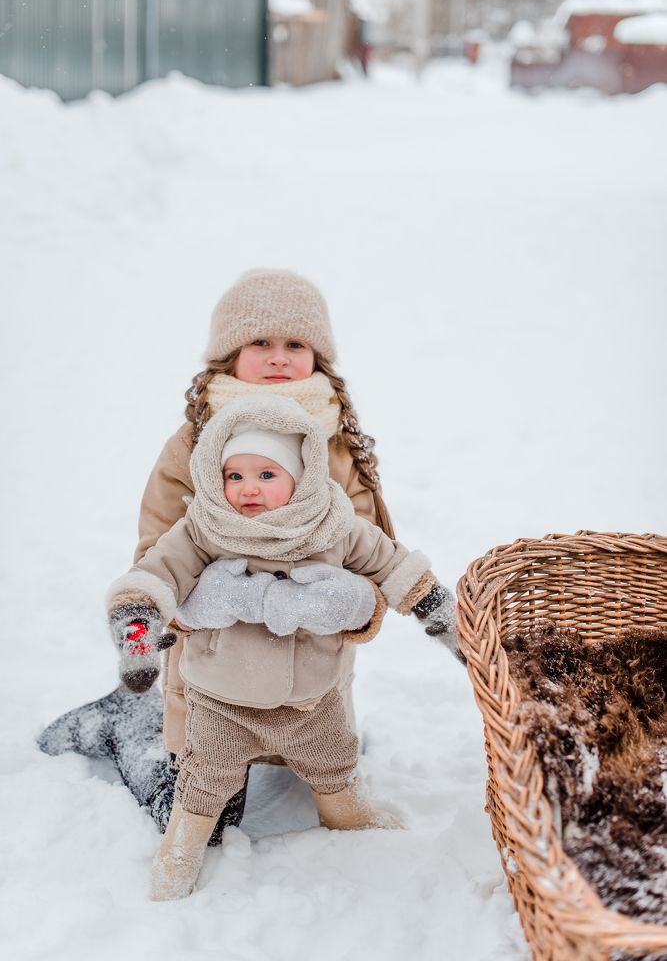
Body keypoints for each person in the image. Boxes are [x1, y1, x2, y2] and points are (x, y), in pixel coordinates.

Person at [38, 268, 458, 842]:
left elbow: (371, 550)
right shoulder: (194, 442)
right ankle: (127, 723)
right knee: (209, 817)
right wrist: (193, 604)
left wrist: (351, 604)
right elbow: (159, 547)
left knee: (325, 767)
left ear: (318, 357)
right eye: (260, 341)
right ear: (229, 355)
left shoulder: (337, 444)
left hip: (309, 675)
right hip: (213, 673)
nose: (279, 356)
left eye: (296, 344)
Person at [106, 394, 457, 899]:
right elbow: (157, 571)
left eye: (266, 474)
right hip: (221, 701)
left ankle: (347, 816)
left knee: (333, 765)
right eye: (234, 475)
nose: (247, 488)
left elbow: (393, 565)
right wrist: (138, 622)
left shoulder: (335, 525)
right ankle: (178, 854)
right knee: (203, 783)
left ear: (302, 475)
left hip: (311, 701)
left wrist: (436, 610)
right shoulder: (206, 527)